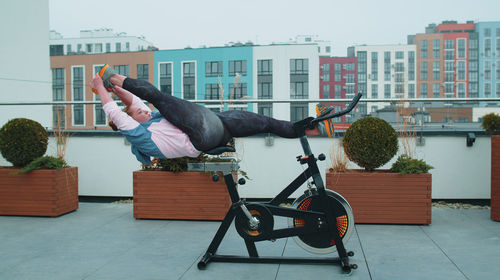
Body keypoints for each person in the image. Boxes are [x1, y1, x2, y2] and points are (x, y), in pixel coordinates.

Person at [90, 64, 335, 165]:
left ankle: (309, 128)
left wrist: (114, 89)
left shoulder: (150, 120)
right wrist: (102, 87)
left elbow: (131, 100)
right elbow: (115, 111)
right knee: (160, 98)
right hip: (201, 137)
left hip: (216, 128)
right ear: (132, 121)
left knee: (264, 122)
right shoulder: (139, 135)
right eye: (138, 112)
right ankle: (110, 74)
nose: (144, 109)